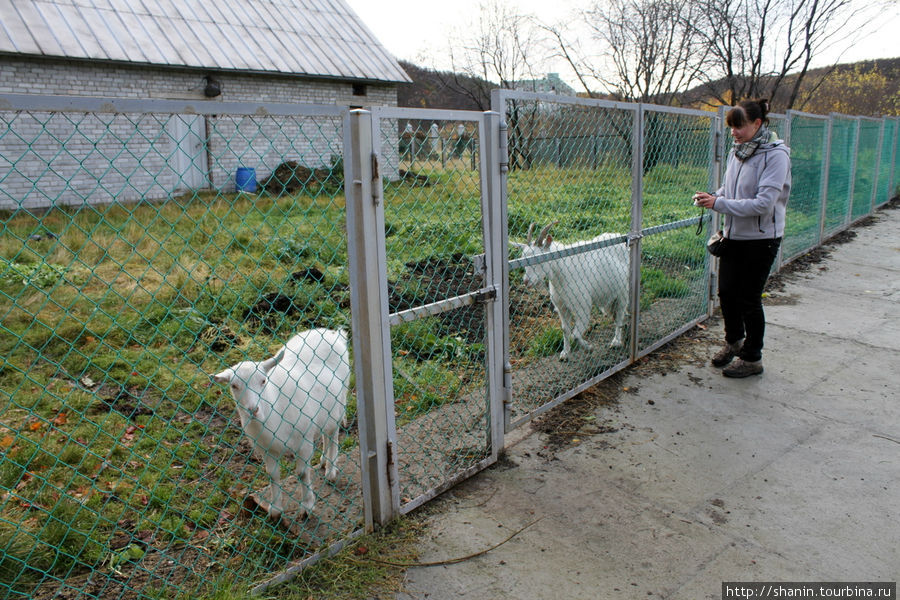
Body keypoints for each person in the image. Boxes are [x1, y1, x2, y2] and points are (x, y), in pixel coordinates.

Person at [693, 98, 791, 378]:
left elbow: (763, 204)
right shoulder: (740, 152)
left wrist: (719, 204)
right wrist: (714, 196)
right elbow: (730, 188)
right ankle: (734, 342)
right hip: (734, 235)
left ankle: (752, 358)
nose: (734, 133)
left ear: (757, 124)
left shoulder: (775, 155)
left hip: (762, 239)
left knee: (749, 299)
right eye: (732, 127)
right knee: (726, 293)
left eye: (740, 126)